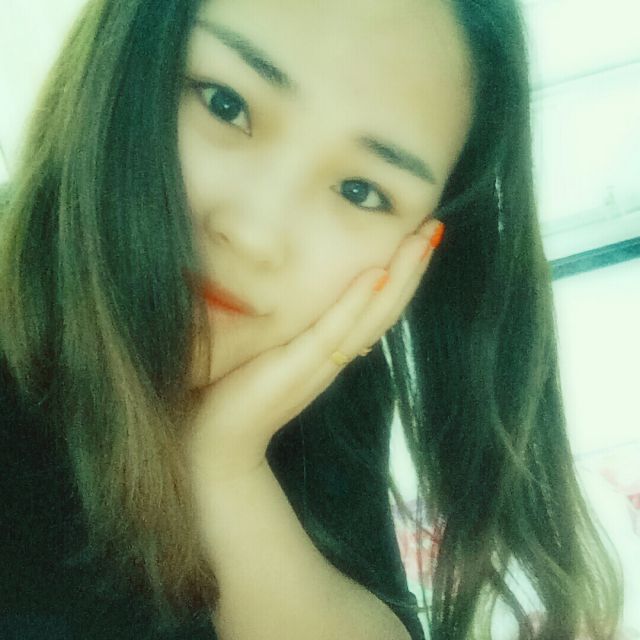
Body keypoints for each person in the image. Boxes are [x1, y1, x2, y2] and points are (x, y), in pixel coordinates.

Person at [0, 0, 623, 638]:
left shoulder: (320, 383)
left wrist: (225, 471)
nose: (254, 234)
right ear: (122, 57)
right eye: (225, 104)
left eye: (361, 192)